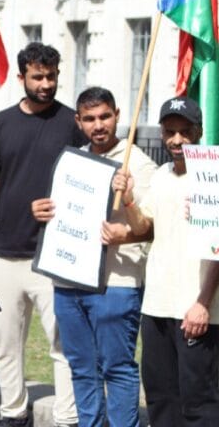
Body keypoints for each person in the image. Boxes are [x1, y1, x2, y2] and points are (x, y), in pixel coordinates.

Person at [0, 42, 85, 427]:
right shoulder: (2, 122)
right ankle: (12, 414)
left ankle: (67, 418)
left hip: (55, 256)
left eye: (51, 76)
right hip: (4, 253)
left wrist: (59, 204)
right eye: (38, 76)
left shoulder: (72, 123)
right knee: (4, 344)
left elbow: (87, 184)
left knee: (62, 345)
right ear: (22, 78)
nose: (46, 83)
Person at [31, 87, 157, 427]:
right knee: (81, 368)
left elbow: (151, 228)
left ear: (117, 114)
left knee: (117, 368)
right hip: (70, 280)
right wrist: (42, 211)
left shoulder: (138, 164)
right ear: (78, 121)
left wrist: (126, 222)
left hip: (116, 283)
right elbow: (61, 213)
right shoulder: (72, 162)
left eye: (104, 116)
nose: (98, 124)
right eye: (89, 118)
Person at [112, 96, 219, 426]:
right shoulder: (159, 176)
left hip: (198, 311)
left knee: (199, 403)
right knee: (161, 398)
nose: (176, 140)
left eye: (185, 132)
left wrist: (203, 302)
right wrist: (128, 198)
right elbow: (145, 227)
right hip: (157, 306)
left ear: (199, 132)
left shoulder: (212, 177)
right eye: (170, 131)